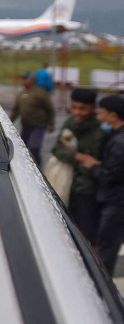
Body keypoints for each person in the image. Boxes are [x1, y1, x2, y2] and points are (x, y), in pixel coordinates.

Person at [50, 88, 106, 243]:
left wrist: (83, 162)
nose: (77, 112)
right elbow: (57, 149)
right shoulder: (70, 123)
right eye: (74, 107)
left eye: (82, 108)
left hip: (89, 191)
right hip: (66, 186)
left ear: (93, 108)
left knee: (87, 237)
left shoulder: (101, 130)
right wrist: (78, 156)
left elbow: (99, 165)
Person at [76, 95, 124, 274]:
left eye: (102, 111)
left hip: (116, 203)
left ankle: (103, 294)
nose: (99, 114)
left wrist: (91, 165)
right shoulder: (115, 136)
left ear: (113, 115)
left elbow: (110, 176)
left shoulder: (119, 143)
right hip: (115, 200)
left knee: (106, 250)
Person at [9, 71, 55, 165]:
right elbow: (15, 110)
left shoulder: (41, 92)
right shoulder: (21, 94)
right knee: (23, 149)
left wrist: (51, 124)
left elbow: (50, 109)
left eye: (26, 79)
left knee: (34, 147)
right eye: (23, 79)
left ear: (33, 80)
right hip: (26, 126)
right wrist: (9, 122)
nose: (24, 81)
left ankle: (37, 167)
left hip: (39, 126)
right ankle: (25, 166)